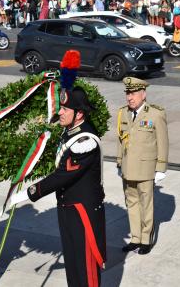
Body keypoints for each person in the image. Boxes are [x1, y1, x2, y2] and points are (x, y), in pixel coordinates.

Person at [9, 50, 106, 287]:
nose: (59, 112)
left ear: (79, 113)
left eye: (65, 110)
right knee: (73, 266)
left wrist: (30, 192)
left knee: (85, 269)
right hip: (68, 208)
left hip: (82, 211)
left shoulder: (86, 141)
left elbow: (64, 174)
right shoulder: (70, 131)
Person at [117, 77, 169, 255]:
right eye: (127, 93)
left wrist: (161, 168)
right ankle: (135, 238)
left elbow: (163, 142)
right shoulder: (123, 113)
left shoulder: (155, 114)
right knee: (131, 203)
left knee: (146, 204)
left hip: (146, 168)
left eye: (133, 93)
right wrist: (119, 162)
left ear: (143, 94)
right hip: (128, 167)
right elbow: (121, 141)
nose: (129, 98)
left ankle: (146, 239)